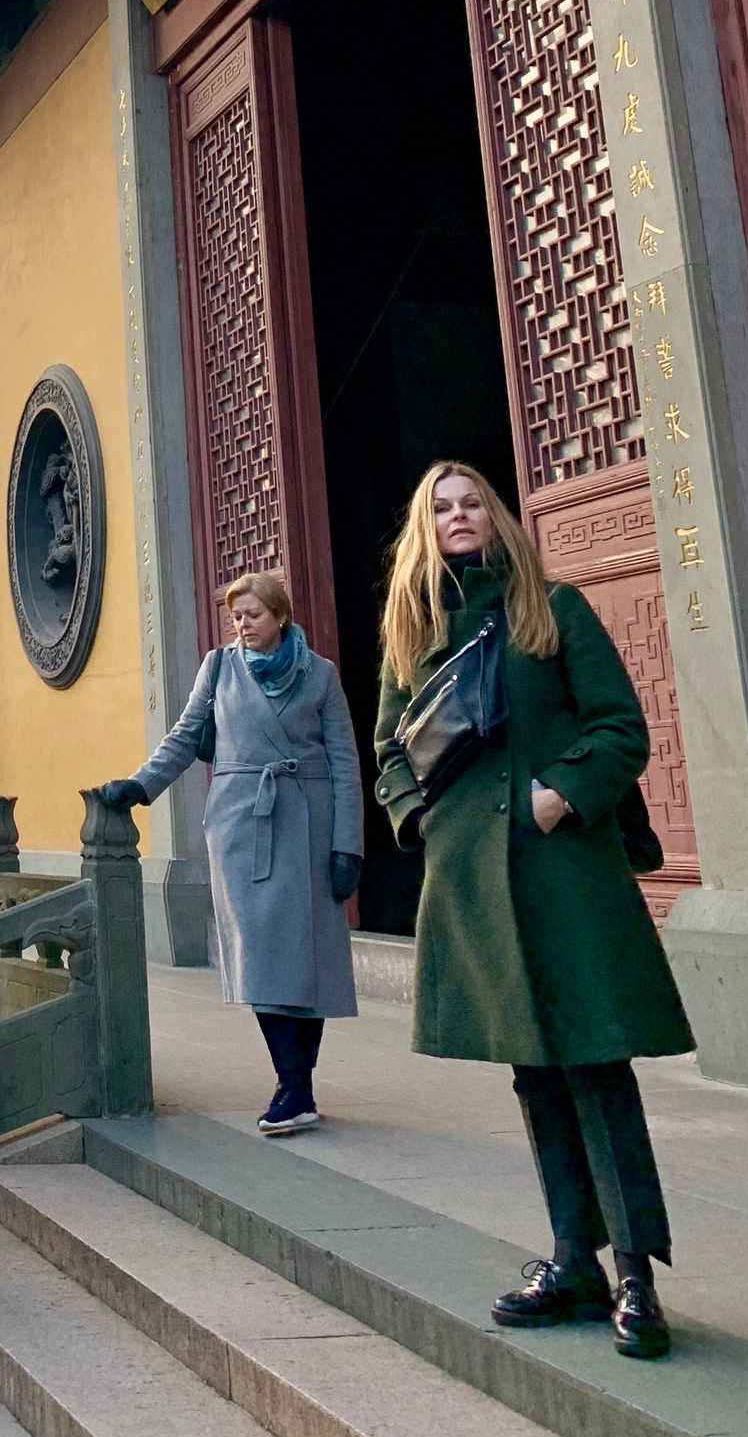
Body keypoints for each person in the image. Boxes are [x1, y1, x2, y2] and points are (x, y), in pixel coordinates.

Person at [374, 461, 693, 1361]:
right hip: (477, 884)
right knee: (535, 1073)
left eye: (472, 501)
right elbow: (389, 752)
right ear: (422, 527)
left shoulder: (553, 609)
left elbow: (620, 727)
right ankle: (571, 1260)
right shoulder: (413, 633)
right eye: (440, 506)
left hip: (566, 876)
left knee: (598, 1069)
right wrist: (425, 821)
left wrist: (561, 793)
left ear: (498, 516)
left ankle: (636, 1272)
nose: (458, 515)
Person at [96, 571, 363, 1135]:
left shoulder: (321, 675)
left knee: (307, 958)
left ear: (280, 615)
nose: (242, 626)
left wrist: (349, 846)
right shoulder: (219, 667)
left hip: (307, 821)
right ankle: (292, 1082)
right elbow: (185, 736)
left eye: (253, 615)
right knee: (262, 953)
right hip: (244, 824)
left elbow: (345, 761)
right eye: (235, 616)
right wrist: (139, 787)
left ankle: (300, 1083)